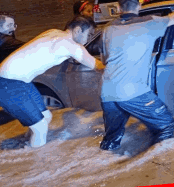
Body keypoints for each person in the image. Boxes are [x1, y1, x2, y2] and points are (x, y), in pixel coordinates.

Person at [98, 0, 174, 153]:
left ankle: (102, 163)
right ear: (139, 5)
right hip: (132, 92)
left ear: (117, 7)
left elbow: (104, 60)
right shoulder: (150, 22)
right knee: (166, 125)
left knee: (112, 138)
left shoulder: (108, 28)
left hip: (107, 92)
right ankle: (153, 166)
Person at [0, 17, 100, 149]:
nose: (89, 38)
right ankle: (36, 160)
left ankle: (26, 144)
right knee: (40, 126)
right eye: (89, 34)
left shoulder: (53, 32)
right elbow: (97, 65)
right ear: (78, 30)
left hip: (17, 80)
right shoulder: (70, 45)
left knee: (46, 117)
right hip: (9, 83)